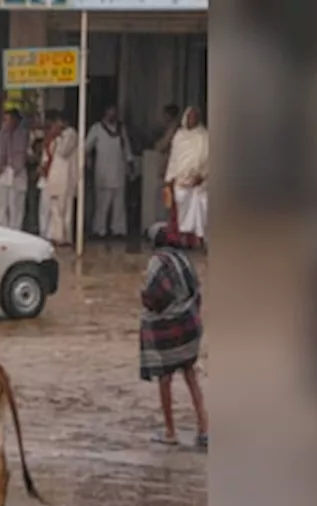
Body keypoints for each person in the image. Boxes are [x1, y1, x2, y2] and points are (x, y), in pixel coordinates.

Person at [139, 222, 208, 450]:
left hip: (167, 331)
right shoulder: (184, 259)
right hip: (189, 328)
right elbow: (196, 289)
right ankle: (204, 428)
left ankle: (170, 431)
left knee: (165, 378)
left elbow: (154, 295)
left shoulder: (157, 262)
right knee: (191, 376)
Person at [85, 103, 135, 240]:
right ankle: (99, 229)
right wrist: (87, 163)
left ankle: (118, 230)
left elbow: (127, 148)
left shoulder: (121, 128)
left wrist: (130, 164)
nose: (113, 115)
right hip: (103, 171)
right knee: (102, 203)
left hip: (119, 170)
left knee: (119, 203)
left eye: (115, 112)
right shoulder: (96, 128)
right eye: (110, 112)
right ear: (105, 113)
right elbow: (86, 148)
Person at [164, 106, 209, 248]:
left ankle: (200, 239)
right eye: (190, 117)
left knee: (201, 210)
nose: (192, 120)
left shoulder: (204, 136)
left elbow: (208, 158)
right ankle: (183, 238)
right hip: (181, 180)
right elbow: (174, 158)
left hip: (198, 182)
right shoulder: (179, 136)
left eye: (195, 117)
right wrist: (169, 178)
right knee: (182, 209)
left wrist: (202, 175)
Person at [38, 110, 78, 246]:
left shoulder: (70, 134)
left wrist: (57, 135)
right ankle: (55, 236)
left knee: (65, 209)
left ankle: (65, 238)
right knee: (55, 209)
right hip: (54, 177)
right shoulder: (54, 138)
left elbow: (63, 151)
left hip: (66, 177)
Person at [0, 109, 30, 231]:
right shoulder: (1, 135)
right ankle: (1, 230)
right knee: (1, 204)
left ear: (15, 121)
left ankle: (15, 231)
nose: (5, 123)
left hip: (17, 172)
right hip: (4, 172)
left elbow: (21, 154)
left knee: (16, 206)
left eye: (8, 120)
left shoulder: (22, 134)